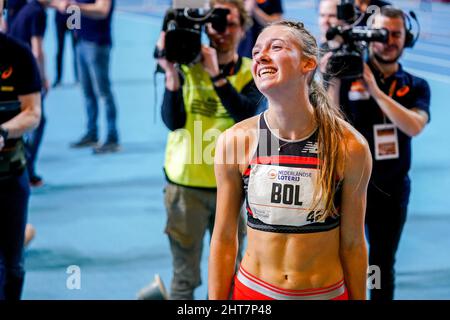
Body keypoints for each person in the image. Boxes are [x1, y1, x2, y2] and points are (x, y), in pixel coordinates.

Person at [208, 20, 372, 300]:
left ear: (308, 64)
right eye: (257, 50)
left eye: (276, 47)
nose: (260, 56)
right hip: (254, 294)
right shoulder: (236, 141)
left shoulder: (349, 147)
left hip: (325, 293)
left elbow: (354, 243)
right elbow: (224, 239)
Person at [156, 0, 263, 300]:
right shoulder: (186, 65)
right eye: (215, 23)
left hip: (231, 189)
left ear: (243, 30)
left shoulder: (249, 72)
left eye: (230, 24)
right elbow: (173, 121)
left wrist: (216, 75)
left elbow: (244, 114)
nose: (222, 31)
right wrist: (170, 73)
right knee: (184, 278)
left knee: (228, 280)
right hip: (184, 186)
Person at [330, 6, 431, 300]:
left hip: (392, 190)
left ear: (407, 38)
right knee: (338, 259)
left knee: (381, 265)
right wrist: (333, 77)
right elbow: (331, 122)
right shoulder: (347, 76)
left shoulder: (416, 85)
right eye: (381, 33)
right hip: (347, 187)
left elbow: (414, 126)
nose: (388, 40)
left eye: (396, 34)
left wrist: (375, 90)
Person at [0, 0, 42, 299]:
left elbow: (33, 112)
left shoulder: (17, 55)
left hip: (9, 177)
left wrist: (3, 131)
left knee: (11, 265)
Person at [63, 0, 120, 154]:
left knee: (103, 93)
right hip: (81, 42)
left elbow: (103, 10)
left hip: (97, 43)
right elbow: (71, 10)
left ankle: (112, 137)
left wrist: (74, 7)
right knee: (87, 91)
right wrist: (74, 31)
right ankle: (92, 132)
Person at [8, 0, 50, 186]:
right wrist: (42, 77)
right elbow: (37, 51)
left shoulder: (23, 8)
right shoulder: (37, 13)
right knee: (36, 120)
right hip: (24, 75)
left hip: (11, 70)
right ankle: (28, 167)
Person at [53, 10, 79, 87]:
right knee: (60, 49)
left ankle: (79, 77)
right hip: (60, 17)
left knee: (77, 49)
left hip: (74, 16)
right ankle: (58, 78)